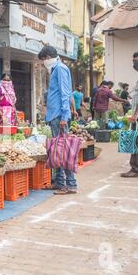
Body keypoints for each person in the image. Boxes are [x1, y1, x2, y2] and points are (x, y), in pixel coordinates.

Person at [38, 45, 76, 195]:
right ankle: (60, 183)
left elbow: (65, 93)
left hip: (59, 116)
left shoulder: (60, 69)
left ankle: (71, 184)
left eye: (43, 60)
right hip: (55, 115)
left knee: (63, 150)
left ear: (48, 57)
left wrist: (65, 116)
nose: (43, 63)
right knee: (57, 150)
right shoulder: (55, 69)